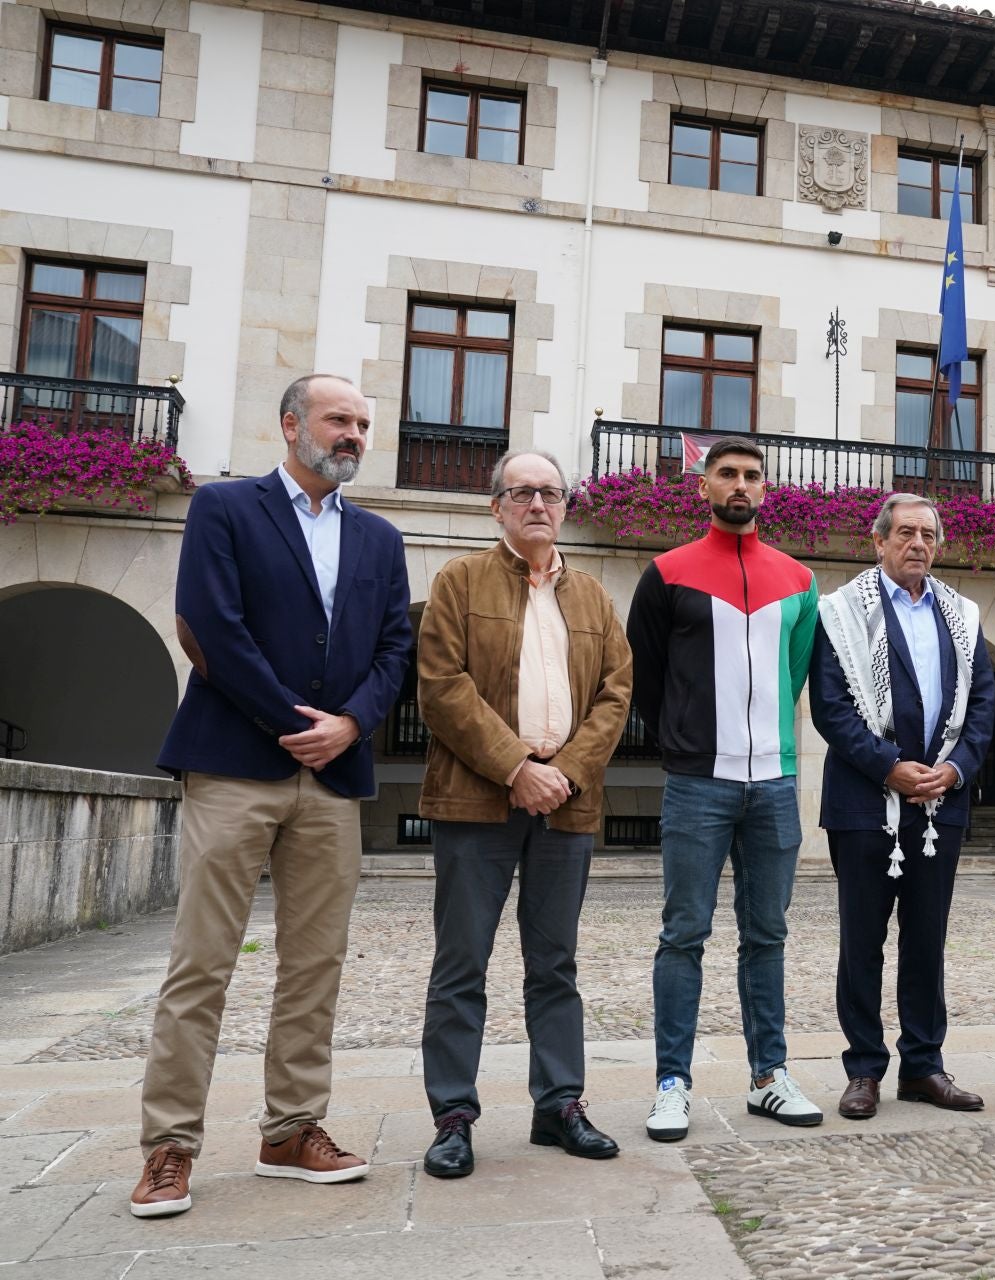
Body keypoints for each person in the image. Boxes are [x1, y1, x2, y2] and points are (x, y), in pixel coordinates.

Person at [134, 374, 411, 1218]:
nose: (354, 433)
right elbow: (210, 623)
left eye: (363, 423)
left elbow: (397, 648)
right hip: (233, 766)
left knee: (315, 965)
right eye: (339, 419)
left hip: (332, 780)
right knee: (202, 964)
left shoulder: (379, 537)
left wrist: (352, 726)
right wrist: (298, 720)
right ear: (290, 424)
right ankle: (169, 1149)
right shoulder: (225, 508)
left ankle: (291, 1130)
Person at [414, 450, 634, 1177]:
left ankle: (559, 1104)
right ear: (497, 507)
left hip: (566, 808)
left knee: (555, 964)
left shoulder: (596, 597)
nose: (538, 503)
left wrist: (562, 775)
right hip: (477, 800)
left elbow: (615, 696)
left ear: (565, 506)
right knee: (461, 962)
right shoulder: (459, 580)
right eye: (522, 493)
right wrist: (515, 767)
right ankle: (453, 1115)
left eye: (550, 493)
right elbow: (442, 688)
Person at [626, 437, 822, 1142]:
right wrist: (685, 740)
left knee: (766, 935)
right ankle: (671, 1083)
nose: (739, 485)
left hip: (773, 782)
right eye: (726, 474)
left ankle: (769, 1075)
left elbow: (795, 676)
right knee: (684, 935)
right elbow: (645, 676)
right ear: (703, 485)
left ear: (765, 490)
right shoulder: (667, 573)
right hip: (697, 784)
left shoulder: (799, 580)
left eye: (750, 475)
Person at [811, 493, 995, 1119]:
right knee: (862, 942)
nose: (918, 543)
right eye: (906, 533)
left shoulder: (963, 616)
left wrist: (955, 768)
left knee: (927, 940)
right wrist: (887, 768)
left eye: (928, 534)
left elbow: (983, 707)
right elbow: (832, 706)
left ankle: (923, 1066)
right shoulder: (839, 613)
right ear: (880, 542)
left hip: (940, 805)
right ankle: (863, 1069)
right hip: (864, 804)